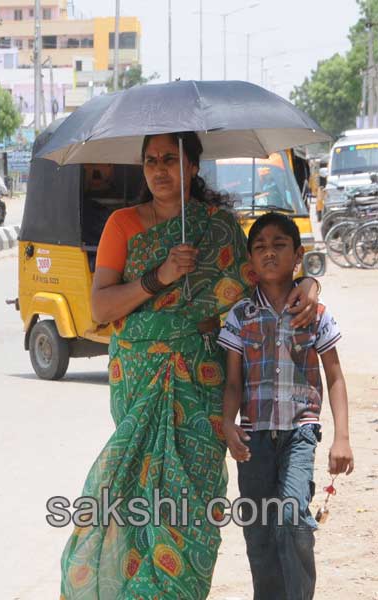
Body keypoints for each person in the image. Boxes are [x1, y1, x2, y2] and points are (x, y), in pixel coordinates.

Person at [58, 132, 321, 599]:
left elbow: (262, 282)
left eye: (171, 160)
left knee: (191, 507)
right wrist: (159, 277)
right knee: (136, 496)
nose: (159, 170)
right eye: (150, 161)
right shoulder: (122, 225)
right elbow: (100, 308)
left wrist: (310, 282)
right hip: (141, 378)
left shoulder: (218, 228)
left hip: (201, 383)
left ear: (193, 167)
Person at [219, 213, 353, 600]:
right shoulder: (240, 317)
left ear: (297, 255)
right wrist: (228, 423)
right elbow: (232, 381)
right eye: (260, 246)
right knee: (258, 531)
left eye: (279, 244)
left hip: (300, 432)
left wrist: (341, 438)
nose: (269, 252)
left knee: (292, 518)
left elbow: (335, 376)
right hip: (253, 438)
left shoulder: (315, 314)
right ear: (250, 263)